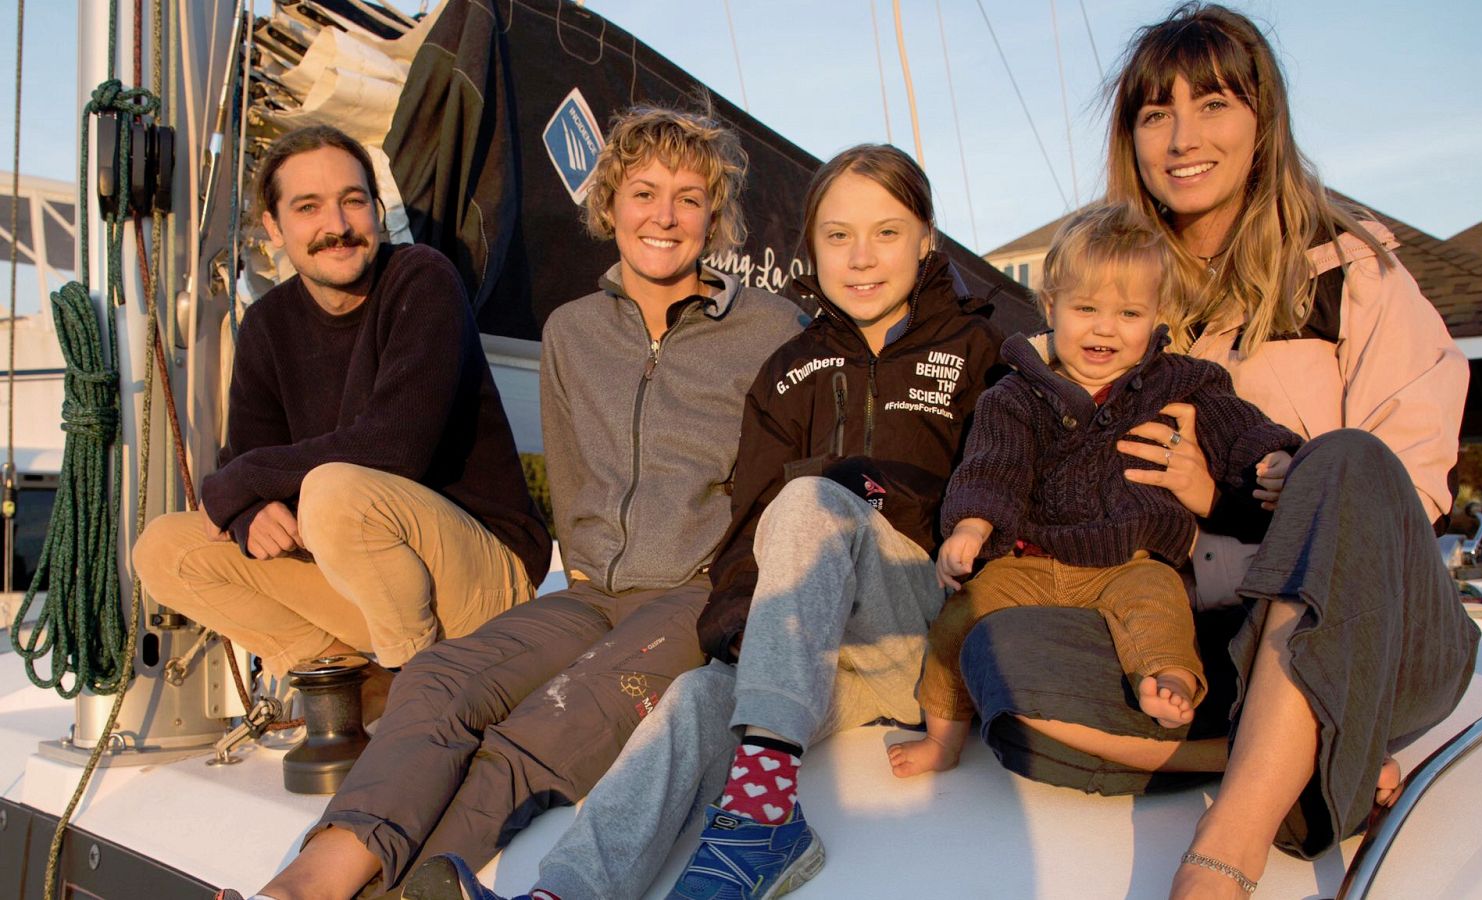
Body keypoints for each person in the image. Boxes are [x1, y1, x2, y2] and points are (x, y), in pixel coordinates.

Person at [955, 5, 1479, 898]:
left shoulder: (1354, 276)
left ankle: (1228, 844)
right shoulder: (1110, 299)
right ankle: (1302, 762)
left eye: (1214, 105)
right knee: (1004, 659)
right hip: (1204, 633)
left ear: (1263, 120)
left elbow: (1405, 494)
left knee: (1347, 458)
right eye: (1157, 113)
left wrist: (1226, 498)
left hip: (1372, 633)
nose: (1183, 138)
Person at [401, 144, 1005, 900]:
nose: (861, 257)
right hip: (820, 657)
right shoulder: (787, 370)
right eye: (837, 235)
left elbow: (1006, 491)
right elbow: (749, 529)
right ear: (811, 248)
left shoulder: (981, 352)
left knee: (812, 498)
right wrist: (740, 636)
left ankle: (760, 817)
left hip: (920, 632)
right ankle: (563, 892)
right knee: (691, 698)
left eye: (886, 232)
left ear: (926, 239)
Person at [236, 106, 801, 900]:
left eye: (689, 197)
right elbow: (571, 478)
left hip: (699, 596)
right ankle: (303, 884)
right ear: (610, 205)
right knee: (434, 681)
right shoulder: (572, 331)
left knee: (552, 721)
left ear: (715, 215)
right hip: (591, 595)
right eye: (643, 193)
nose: (664, 216)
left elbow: (793, 485)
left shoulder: (771, 329)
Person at [133, 125, 550, 720]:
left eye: (353, 201)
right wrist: (251, 512)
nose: (337, 225)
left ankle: (422, 705)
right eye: (308, 207)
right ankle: (357, 688)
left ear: (376, 210)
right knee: (164, 549)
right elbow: (248, 456)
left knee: (333, 490)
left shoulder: (422, 279)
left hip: (484, 576)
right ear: (274, 227)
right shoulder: (267, 326)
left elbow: (394, 446)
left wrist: (242, 480)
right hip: (361, 574)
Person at [888, 202, 1302, 779]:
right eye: (1086, 309)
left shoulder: (1177, 381)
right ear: (1050, 306)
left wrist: (1273, 456)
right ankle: (943, 738)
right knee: (959, 619)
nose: (1105, 328)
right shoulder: (1017, 395)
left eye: (1129, 313)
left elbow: (1238, 427)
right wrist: (972, 525)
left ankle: (1170, 680)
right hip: (1031, 561)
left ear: (1157, 316)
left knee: (1159, 605)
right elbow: (993, 466)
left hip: (1130, 561)